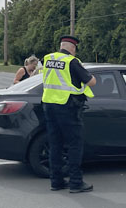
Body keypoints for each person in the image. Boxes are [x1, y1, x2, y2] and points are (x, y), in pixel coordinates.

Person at [41, 35, 96, 193]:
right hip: (67, 106)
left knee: (55, 145)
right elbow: (91, 82)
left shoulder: (47, 58)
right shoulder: (71, 61)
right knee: (74, 145)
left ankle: (56, 181)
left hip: (49, 105)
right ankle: (76, 182)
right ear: (73, 48)